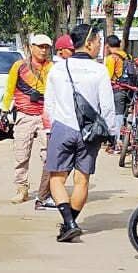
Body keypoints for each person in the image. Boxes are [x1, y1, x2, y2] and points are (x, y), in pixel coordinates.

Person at [43, 24, 117, 243]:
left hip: (62, 128)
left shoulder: (57, 69)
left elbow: (49, 104)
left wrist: (59, 122)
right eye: (97, 42)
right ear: (88, 43)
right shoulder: (100, 70)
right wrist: (112, 133)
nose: (98, 46)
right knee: (82, 179)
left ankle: (68, 222)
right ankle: (70, 223)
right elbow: (108, 107)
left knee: (56, 178)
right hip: (90, 132)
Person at [1, 34, 55, 208]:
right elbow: (9, 90)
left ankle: (46, 191)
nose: (43, 50)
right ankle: (21, 189)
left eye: (46, 47)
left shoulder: (53, 68)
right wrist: (4, 111)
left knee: (48, 155)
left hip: (46, 115)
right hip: (24, 115)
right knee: (21, 155)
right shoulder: (19, 66)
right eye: (40, 46)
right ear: (31, 47)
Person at [103, 35, 131, 153]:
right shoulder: (127, 55)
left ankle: (117, 142)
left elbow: (108, 77)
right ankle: (129, 138)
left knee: (118, 116)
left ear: (108, 46)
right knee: (128, 114)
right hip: (129, 89)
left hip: (118, 90)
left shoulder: (111, 58)